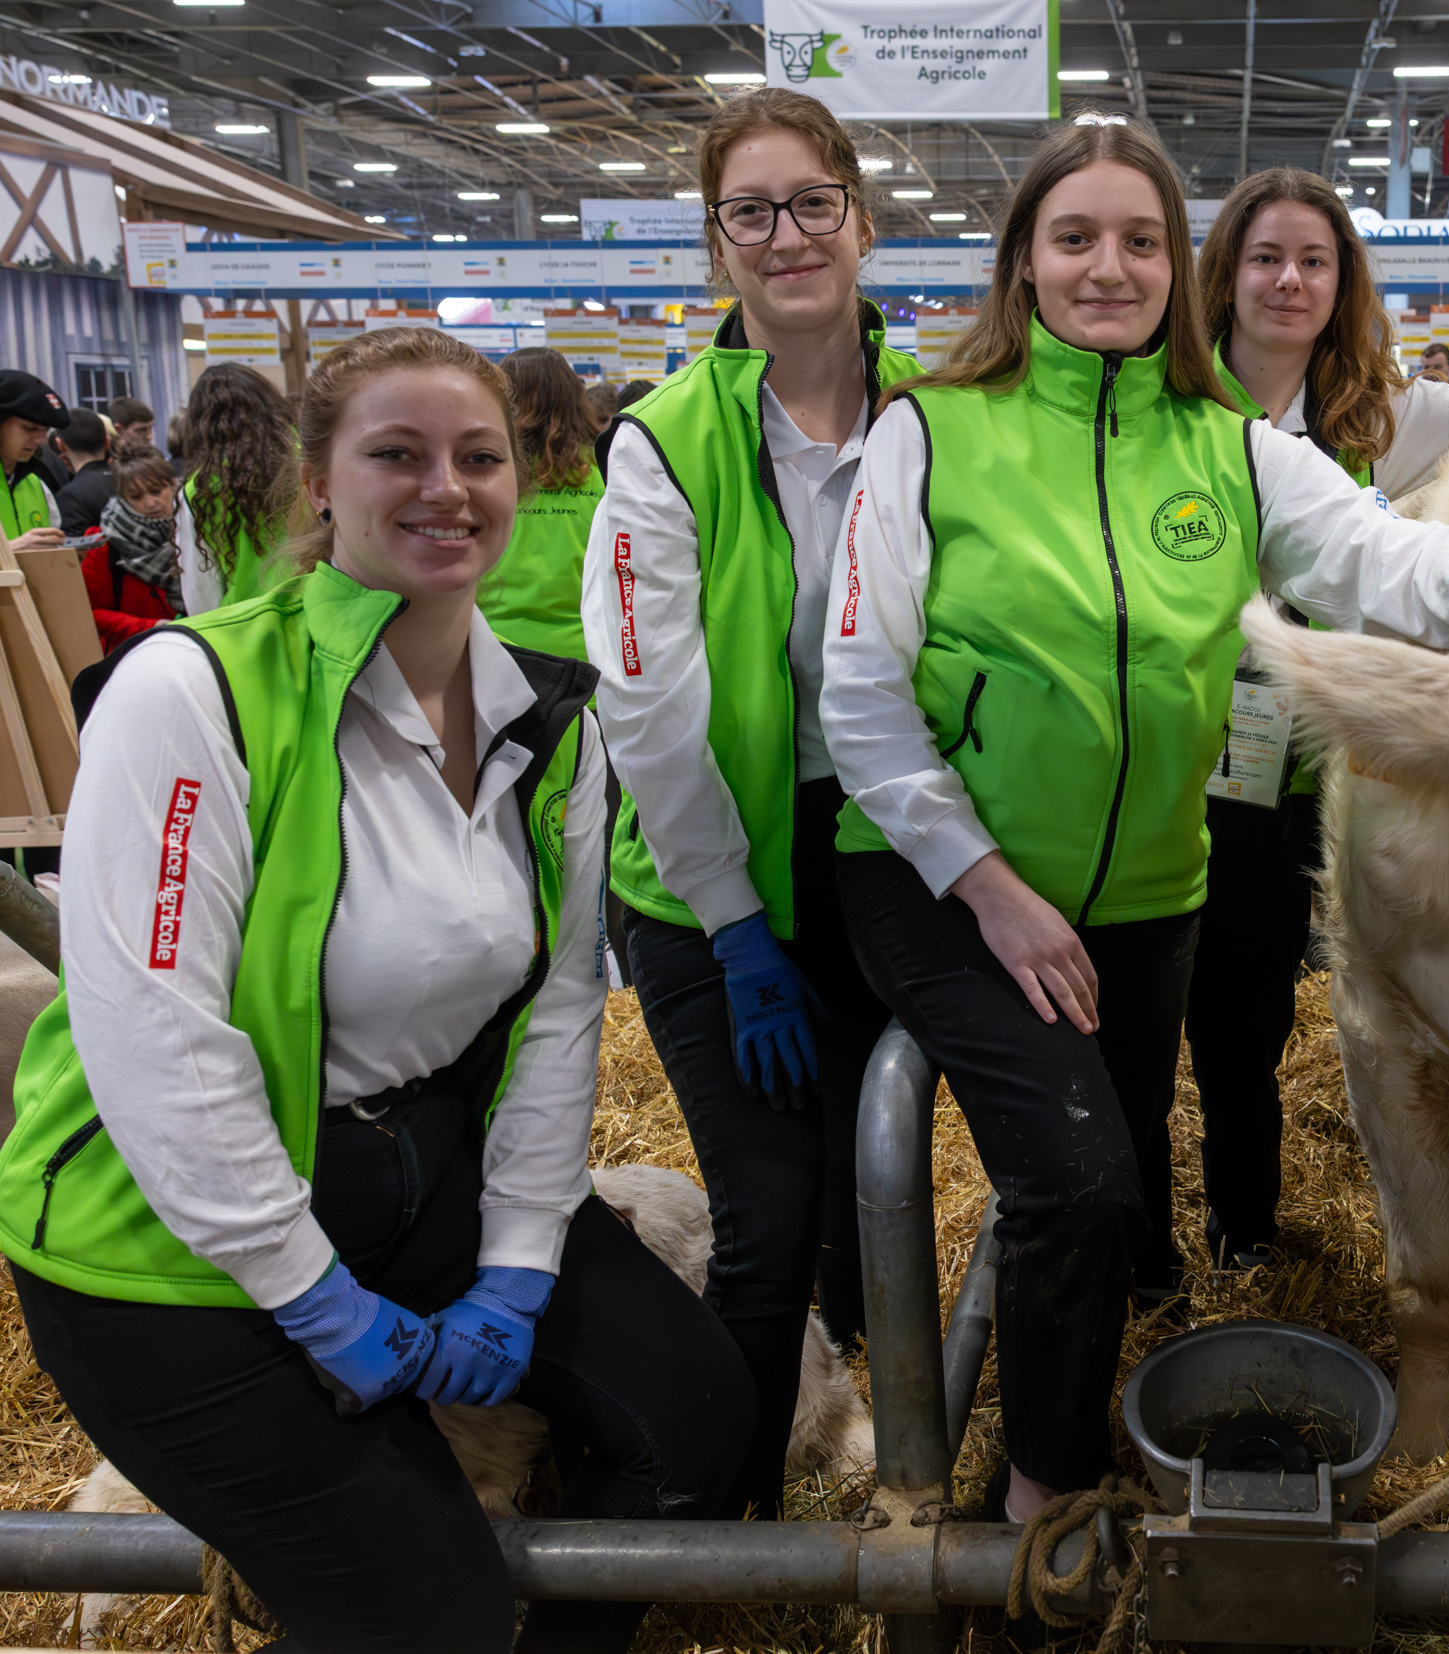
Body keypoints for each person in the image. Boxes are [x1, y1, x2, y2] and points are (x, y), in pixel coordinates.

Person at [824, 117, 1449, 1523]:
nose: (1110, 266)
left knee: (1125, 1152)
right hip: (948, 886)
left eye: (1140, 239)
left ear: (1174, 267)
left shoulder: (1227, 443)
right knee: (1083, 1181)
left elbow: (1374, 555)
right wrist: (985, 884)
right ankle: (1038, 1492)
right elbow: (857, 692)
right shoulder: (930, 430)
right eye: (1077, 237)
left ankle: (1072, 1415)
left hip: (1153, 890)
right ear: (1023, 261)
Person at [0, 325, 752, 1652]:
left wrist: (519, 1264)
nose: (444, 488)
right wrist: (312, 1297)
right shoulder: (197, 690)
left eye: (478, 456)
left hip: (416, 1176)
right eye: (395, 454)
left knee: (695, 1421)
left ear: (523, 476)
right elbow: (157, 1043)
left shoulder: (547, 726)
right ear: (318, 482)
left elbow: (561, 1016)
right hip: (169, 1245)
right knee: (426, 1607)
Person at [583, 88, 921, 1524]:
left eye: (810, 204)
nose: (785, 237)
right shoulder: (665, 439)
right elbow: (650, 711)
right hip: (703, 873)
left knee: (865, 1182)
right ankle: (719, 1530)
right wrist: (732, 927)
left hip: (875, 852)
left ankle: (879, 1448)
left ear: (859, 216)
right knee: (768, 1212)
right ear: (715, 243)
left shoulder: (940, 411)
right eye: (749, 212)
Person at [1183, 166, 1449, 1268]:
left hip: (1329, 769)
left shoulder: (1381, 413)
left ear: (1340, 282)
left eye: (1313, 260)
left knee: (1294, 1004)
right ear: (1226, 276)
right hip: (1191, 762)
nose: (1287, 281)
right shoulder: (1175, 406)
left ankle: (1273, 1208)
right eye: (1264, 258)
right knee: (1194, 1008)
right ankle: (1190, 1229)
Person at [477, 348, 602, 660]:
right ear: (575, 395)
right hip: (589, 657)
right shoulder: (608, 470)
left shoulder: (483, 472)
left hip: (492, 648)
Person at [175, 363, 299, 612]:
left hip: (249, 623)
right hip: (319, 608)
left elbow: (201, 588)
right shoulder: (309, 462)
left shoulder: (199, 489)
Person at [83, 447, 183, 649]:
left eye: (156, 491)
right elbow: (87, 610)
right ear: (123, 499)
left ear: (173, 484)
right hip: (137, 652)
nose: (150, 503)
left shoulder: (197, 529)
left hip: (198, 645)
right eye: (136, 497)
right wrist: (149, 627)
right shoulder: (106, 542)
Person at [0, 369, 69, 554]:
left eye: (44, 431)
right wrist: (12, 550)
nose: (41, 440)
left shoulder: (37, 486)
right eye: (29, 428)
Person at [52, 408, 115, 536]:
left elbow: (76, 552)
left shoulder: (70, 496)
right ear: (107, 442)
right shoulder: (131, 481)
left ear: (61, 445)